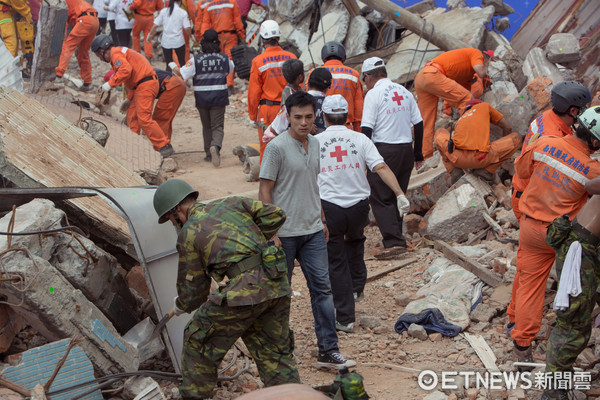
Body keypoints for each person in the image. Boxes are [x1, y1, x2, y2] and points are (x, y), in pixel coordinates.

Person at [152, 178, 300, 400]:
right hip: (276, 283)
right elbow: (276, 214)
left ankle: (194, 397)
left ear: (177, 209)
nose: (175, 223)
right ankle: (292, 395)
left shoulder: (189, 232)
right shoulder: (231, 203)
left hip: (245, 292)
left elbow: (194, 291)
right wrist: (252, 238)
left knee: (197, 338)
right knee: (273, 350)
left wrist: (182, 305)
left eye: (172, 219)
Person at [259, 91, 356, 369]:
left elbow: (315, 184)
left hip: (313, 231)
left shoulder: (315, 144)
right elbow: (264, 190)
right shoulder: (276, 148)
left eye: (309, 117)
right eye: (297, 117)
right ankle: (278, 352)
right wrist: (271, 231)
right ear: (287, 117)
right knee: (281, 293)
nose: (303, 122)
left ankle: (328, 350)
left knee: (323, 291)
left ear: (317, 117)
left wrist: (322, 220)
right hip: (284, 235)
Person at [508, 106, 600, 367]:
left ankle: (521, 344)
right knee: (572, 289)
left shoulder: (545, 142)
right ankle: (565, 342)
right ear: (595, 141)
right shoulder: (592, 171)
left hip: (529, 228)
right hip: (563, 238)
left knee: (529, 285)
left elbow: (522, 171)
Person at [318, 94, 410, 333]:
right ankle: (357, 286)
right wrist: (400, 193)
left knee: (336, 261)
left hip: (330, 208)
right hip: (359, 207)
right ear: (347, 116)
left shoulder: (315, 142)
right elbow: (380, 167)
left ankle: (346, 318)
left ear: (324, 116)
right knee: (356, 240)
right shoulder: (360, 139)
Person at [542, 109, 600, 400]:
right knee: (573, 327)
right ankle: (553, 391)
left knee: (574, 323)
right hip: (582, 251)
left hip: (585, 247)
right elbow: (591, 186)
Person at [360, 57, 423, 258]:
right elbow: (419, 124)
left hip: (384, 150)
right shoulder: (404, 92)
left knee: (380, 196)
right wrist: (418, 153)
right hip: (406, 149)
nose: (365, 83)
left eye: (365, 79)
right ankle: (397, 238)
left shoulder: (373, 94)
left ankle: (395, 242)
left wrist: (364, 157)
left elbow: (366, 128)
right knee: (398, 194)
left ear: (368, 76)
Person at [510, 81, 592, 220]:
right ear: (572, 111)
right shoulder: (554, 137)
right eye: (583, 109)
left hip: (524, 190)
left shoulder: (547, 116)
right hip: (531, 203)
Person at [92, 34, 174, 157]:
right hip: (142, 85)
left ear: (102, 50)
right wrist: (129, 98)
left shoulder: (116, 55)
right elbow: (133, 77)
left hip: (146, 85)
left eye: (99, 55)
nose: (100, 59)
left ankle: (163, 145)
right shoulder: (120, 52)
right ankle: (134, 145)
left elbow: (126, 71)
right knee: (132, 116)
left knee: (144, 118)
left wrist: (109, 85)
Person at [414, 48, 492, 159]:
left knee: (426, 120)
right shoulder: (477, 53)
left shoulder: (465, 73)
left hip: (422, 77)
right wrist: (490, 69)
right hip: (432, 74)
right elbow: (481, 71)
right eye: (490, 62)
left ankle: (424, 157)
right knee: (467, 101)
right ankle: (474, 143)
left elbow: (466, 93)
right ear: (486, 58)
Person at [172, 28, 234, 167]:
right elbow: (230, 69)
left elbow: (182, 74)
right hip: (219, 97)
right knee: (217, 126)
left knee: (206, 126)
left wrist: (173, 67)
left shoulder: (195, 60)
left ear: (203, 44)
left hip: (202, 98)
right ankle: (216, 147)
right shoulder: (224, 58)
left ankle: (208, 153)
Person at [434, 99, 522, 181]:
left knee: (439, 132)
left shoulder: (461, 119)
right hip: (480, 158)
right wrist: (503, 148)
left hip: (457, 158)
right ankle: (486, 171)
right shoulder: (484, 106)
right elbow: (507, 127)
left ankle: (454, 171)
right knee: (516, 138)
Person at [247, 19, 296, 160]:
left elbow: (254, 92)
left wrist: (252, 115)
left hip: (268, 110)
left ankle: (267, 179)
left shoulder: (258, 61)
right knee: (290, 146)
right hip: (290, 109)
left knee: (267, 148)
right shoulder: (291, 57)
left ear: (262, 39)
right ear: (278, 38)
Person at [123, 67, 186, 145]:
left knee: (161, 118)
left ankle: (162, 148)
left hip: (173, 85)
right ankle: (164, 145)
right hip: (174, 83)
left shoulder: (141, 80)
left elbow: (142, 106)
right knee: (164, 119)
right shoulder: (140, 74)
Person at [316, 41, 364, 131]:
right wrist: (358, 133)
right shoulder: (353, 75)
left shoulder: (315, 73)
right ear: (344, 57)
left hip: (320, 129)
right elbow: (359, 111)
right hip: (346, 128)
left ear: (323, 58)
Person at [54, 0, 98, 92]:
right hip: (94, 21)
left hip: (84, 19)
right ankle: (88, 82)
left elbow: (63, 23)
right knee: (82, 52)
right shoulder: (76, 3)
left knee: (68, 46)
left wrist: (65, 40)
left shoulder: (61, 2)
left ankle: (58, 75)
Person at [199, 0, 244, 90]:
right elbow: (237, 20)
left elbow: (206, 23)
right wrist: (242, 35)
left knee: (218, 59)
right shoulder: (232, 3)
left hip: (216, 38)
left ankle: (220, 83)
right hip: (230, 35)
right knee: (229, 59)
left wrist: (204, 37)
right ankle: (229, 85)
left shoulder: (209, 6)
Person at [147, 0, 191, 72]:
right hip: (179, 41)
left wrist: (149, 35)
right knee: (182, 62)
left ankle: (169, 80)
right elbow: (187, 29)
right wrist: (191, 37)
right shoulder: (183, 12)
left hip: (166, 42)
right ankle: (183, 80)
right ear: (180, 2)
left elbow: (155, 25)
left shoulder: (164, 11)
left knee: (169, 64)